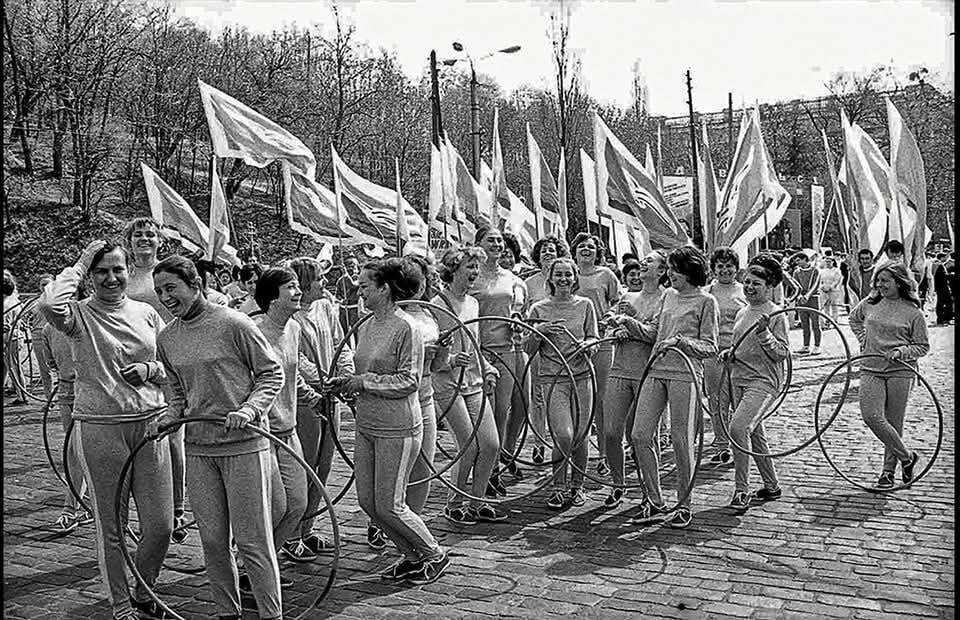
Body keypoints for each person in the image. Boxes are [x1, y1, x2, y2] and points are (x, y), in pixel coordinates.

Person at [39, 240, 173, 620]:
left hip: (150, 424)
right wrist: (80, 263)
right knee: (112, 527)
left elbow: (170, 365)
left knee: (160, 525)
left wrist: (150, 371)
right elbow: (49, 304)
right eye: (101, 271)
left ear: (129, 271)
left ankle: (144, 589)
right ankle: (121, 604)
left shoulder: (146, 312)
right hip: (100, 428)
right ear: (89, 277)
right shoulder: (78, 315)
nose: (111, 278)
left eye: (118, 269)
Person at [152, 255, 286, 620]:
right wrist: (169, 419)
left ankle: (271, 615)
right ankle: (227, 612)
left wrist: (250, 410)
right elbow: (178, 392)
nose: (165, 297)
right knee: (212, 541)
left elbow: (271, 374)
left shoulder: (234, 324)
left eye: (171, 288)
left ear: (195, 284)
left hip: (243, 445)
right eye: (159, 290)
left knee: (253, 541)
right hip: (198, 448)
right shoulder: (167, 338)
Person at [327, 258, 449, 585]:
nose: (359, 291)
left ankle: (433, 552)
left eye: (365, 285)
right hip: (367, 424)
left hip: (399, 426)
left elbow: (409, 381)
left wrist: (364, 382)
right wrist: (346, 385)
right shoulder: (366, 325)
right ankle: (410, 557)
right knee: (369, 502)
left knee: (391, 504)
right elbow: (361, 371)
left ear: (385, 289)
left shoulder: (406, 327)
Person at [630, 246, 718, 529]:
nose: (670, 274)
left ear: (691, 272)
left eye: (676, 270)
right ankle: (654, 500)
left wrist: (682, 342)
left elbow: (710, 346)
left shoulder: (706, 302)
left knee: (682, 440)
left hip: (686, 374)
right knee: (640, 435)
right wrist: (627, 323)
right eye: (669, 269)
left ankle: (684, 503)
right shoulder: (667, 295)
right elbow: (655, 331)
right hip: (655, 370)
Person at [251, 268, 326, 572]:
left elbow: (290, 375)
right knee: (275, 506)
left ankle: (263, 563)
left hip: (288, 428)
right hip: (261, 432)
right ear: (271, 297)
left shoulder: (293, 328)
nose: (298, 292)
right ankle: (253, 569)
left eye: (298, 286)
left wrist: (311, 396)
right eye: (290, 288)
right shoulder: (252, 332)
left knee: (296, 505)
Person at [121, 217, 189, 544]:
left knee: (173, 436)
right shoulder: (121, 273)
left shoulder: (165, 272)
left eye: (150, 234)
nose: (144, 239)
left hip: (168, 356)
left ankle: (175, 510)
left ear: (160, 241)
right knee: (134, 433)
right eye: (138, 235)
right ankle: (136, 510)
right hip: (129, 361)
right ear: (129, 240)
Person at [283, 257, 354, 560]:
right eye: (318, 279)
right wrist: (322, 383)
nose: (324, 282)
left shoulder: (326, 307)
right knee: (304, 465)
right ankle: (289, 534)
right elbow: (296, 362)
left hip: (331, 394)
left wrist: (344, 373)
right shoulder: (291, 318)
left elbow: (341, 342)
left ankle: (308, 529)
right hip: (306, 400)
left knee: (324, 464)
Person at [432, 247, 504, 523]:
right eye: (469, 267)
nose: (474, 272)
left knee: (491, 444)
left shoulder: (473, 304)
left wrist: (487, 368)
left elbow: (476, 347)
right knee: (468, 445)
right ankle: (454, 502)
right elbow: (431, 351)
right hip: (448, 384)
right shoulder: (438, 304)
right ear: (453, 270)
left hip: (473, 382)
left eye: (476, 267)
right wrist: (450, 360)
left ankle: (477, 500)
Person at [525, 257, 599, 510]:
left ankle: (577, 486)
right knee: (563, 435)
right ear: (551, 278)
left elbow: (594, 338)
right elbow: (527, 347)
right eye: (559, 275)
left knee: (581, 434)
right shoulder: (539, 309)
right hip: (553, 377)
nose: (564, 279)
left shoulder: (585, 305)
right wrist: (540, 331)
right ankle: (557, 485)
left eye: (568, 274)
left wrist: (587, 345)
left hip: (581, 376)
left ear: (575, 277)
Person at [848, 261, 929, 489]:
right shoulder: (871, 303)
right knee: (871, 416)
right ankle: (907, 457)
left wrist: (901, 351)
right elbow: (854, 319)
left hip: (901, 371)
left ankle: (887, 472)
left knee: (894, 421)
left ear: (899, 282)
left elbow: (922, 346)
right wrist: (863, 339)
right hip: (870, 367)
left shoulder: (913, 312)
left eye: (885, 281)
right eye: (879, 280)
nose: (880, 285)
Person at [719, 256, 788, 510]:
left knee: (738, 428)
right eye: (747, 282)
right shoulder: (742, 311)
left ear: (769, 286)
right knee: (755, 434)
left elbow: (781, 353)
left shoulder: (776, 313)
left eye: (756, 283)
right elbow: (739, 345)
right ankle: (772, 486)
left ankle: (741, 490)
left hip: (764, 381)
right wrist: (730, 353)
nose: (749, 287)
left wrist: (765, 333)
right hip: (739, 378)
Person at [601, 252, 666, 508]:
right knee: (610, 432)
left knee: (643, 436)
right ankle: (618, 483)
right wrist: (614, 328)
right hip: (619, 368)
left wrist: (630, 321)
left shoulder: (666, 300)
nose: (643, 263)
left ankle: (649, 489)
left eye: (650, 261)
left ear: (662, 271)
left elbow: (655, 335)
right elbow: (610, 323)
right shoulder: (627, 297)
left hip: (648, 373)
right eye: (643, 260)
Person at [470, 226, 528, 493]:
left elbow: (519, 311)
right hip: (478, 350)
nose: (497, 243)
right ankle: (484, 469)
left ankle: (493, 470)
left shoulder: (513, 279)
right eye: (490, 239)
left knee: (502, 409)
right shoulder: (471, 276)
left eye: (499, 240)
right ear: (478, 244)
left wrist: (518, 322)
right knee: (484, 412)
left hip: (507, 350)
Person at [41, 278, 93, 535]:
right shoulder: (90, 319)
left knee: (77, 450)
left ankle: (77, 506)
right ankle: (74, 507)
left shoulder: (50, 326)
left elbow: (50, 362)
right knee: (77, 450)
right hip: (77, 391)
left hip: (75, 389)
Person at [569, 232, 621, 477]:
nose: (586, 250)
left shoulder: (606, 275)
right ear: (575, 251)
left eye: (591, 246)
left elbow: (617, 303)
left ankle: (602, 454)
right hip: (571, 343)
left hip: (600, 342)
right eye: (582, 246)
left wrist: (608, 321)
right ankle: (573, 451)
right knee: (574, 399)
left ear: (597, 251)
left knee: (601, 398)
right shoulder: (568, 272)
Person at [399, 254, 442, 517]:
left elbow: (436, 366)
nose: (420, 285)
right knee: (398, 466)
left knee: (424, 465)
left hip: (426, 395)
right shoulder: (393, 316)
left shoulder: (428, 313)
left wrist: (442, 352)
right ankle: (385, 518)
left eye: (422, 278)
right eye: (413, 280)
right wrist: (421, 351)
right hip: (401, 399)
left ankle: (414, 522)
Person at [523, 235, 569, 465]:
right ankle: (539, 442)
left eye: (552, 250)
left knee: (560, 396)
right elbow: (523, 314)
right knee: (538, 395)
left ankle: (559, 440)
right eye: (543, 250)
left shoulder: (565, 278)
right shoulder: (529, 283)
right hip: (539, 343)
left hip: (564, 346)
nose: (548, 253)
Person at [703, 247, 747, 466]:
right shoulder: (707, 292)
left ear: (736, 268)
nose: (725, 270)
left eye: (729, 265)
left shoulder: (744, 291)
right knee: (717, 400)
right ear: (713, 269)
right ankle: (722, 444)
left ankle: (740, 442)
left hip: (740, 354)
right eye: (720, 266)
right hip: (713, 353)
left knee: (739, 400)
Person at [3, 268, 28, 403]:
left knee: (14, 367)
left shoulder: (7, 304)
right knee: (10, 366)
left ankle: (22, 396)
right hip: (13, 338)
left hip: (11, 339)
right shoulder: (13, 302)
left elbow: (8, 326)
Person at [792, 251, 822, 355]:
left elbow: (815, 285)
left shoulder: (815, 271)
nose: (797, 262)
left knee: (815, 323)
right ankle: (806, 346)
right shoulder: (796, 272)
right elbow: (795, 285)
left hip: (813, 299)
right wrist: (799, 295)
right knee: (804, 324)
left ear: (805, 259)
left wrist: (807, 295)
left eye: (799, 260)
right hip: (801, 300)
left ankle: (817, 346)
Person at [335, 256, 361, 344]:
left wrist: (346, 275)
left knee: (356, 330)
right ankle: (348, 349)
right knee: (344, 332)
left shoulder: (358, 279)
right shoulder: (340, 280)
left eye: (354, 265)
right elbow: (337, 295)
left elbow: (353, 286)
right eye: (349, 265)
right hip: (343, 309)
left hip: (354, 309)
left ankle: (358, 349)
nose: (352, 268)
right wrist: (341, 300)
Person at [819, 255, 843, 325]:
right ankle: (827, 319)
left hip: (833, 290)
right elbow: (820, 280)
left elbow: (837, 280)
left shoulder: (836, 270)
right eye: (826, 262)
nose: (828, 263)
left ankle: (835, 319)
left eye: (829, 261)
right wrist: (823, 287)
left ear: (833, 262)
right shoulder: (822, 271)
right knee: (826, 305)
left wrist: (830, 287)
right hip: (824, 290)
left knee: (834, 305)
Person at [933, 253, 953, 325]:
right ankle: (944, 319)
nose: (946, 258)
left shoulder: (936, 264)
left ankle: (941, 319)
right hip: (943, 287)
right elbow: (943, 276)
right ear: (941, 258)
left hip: (939, 287)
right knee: (947, 303)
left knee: (941, 303)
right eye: (944, 257)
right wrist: (951, 275)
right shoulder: (940, 265)